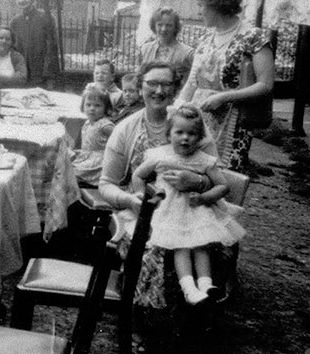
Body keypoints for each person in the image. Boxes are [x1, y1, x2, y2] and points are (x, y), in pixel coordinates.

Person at [99, 62, 217, 350]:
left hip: (189, 209)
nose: (158, 90)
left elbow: (217, 176)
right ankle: (143, 329)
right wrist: (129, 200)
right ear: (140, 87)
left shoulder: (192, 123)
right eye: (151, 83)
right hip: (138, 211)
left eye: (166, 84)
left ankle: (189, 329)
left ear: (176, 89)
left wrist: (197, 182)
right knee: (151, 249)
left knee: (201, 242)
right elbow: (106, 184)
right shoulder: (126, 128)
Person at [132, 104, 245, 305]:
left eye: (192, 133)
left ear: (200, 137)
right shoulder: (159, 155)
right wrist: (141, 194)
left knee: (201, 244)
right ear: (169, 134)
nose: (185, 138)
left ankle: (206, 285)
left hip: (197, 209)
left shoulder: (203, 160)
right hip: (169, 209)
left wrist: (204, 198)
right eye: (179, 132)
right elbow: (138, 175)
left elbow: (223, 186)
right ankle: (189, 289)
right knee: (181, 246)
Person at [176, 0, 275, 171]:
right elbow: (192, 82)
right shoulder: (205, 39)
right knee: (192, 175)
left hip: (234, 122)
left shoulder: (252, 37)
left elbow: (266, 84)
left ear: (217, 5)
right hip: (199, 121)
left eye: (201, 5)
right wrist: (177, 108)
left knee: (223, 179)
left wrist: (224, 97)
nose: (198, 11)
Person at [9, 0, 59, 87]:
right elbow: (12, 48)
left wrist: (48, 73)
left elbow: (52, 46)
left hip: (40, 73)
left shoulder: (46, 18)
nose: (22, 0)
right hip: (21, 72)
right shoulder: (14, 22)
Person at [71, 84, 115, 187]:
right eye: (88, 105)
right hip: (88, 156)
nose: (92, 109)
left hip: (99, 163)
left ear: (106, 108)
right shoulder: (87, 123)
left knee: (71, 173)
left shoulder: (105, 125)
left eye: (97, 105)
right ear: (83, 106)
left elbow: (120, 140)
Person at [138, 7, 194, 84]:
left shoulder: (187, 53)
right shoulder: (145, 49)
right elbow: (140, 76)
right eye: (160, 25)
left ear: (176, 27)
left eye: (169, 25)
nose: (164, 29)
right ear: (154, 26)